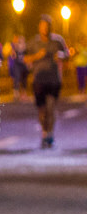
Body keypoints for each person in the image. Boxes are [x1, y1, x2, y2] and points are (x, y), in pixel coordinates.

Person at [26, 15, 69, 148]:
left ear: (51, 27)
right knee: (42, 110)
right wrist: (36, 56)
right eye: (43, 26)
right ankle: (44, 132)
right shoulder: (34, 42)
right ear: (39, 27)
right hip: (39, 80)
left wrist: (62, 55)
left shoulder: (58, 40)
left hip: (54, 79)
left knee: (51, 108)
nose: (45, 28)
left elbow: (67, 54)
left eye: (48, 26)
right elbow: (26, 58)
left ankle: (50, 134)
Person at [7, 34, 28, 102]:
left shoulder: (26, 48)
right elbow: (11, 54)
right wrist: (12, 53)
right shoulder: (15, 48)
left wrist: (29, 63)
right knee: (17, 78)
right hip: (17, 65)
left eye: (22, 41)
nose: (21, 43)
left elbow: (29, 56)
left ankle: (23, 94)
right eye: (19, 41)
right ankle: (16, 94)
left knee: (24, 80)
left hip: (24, 65)